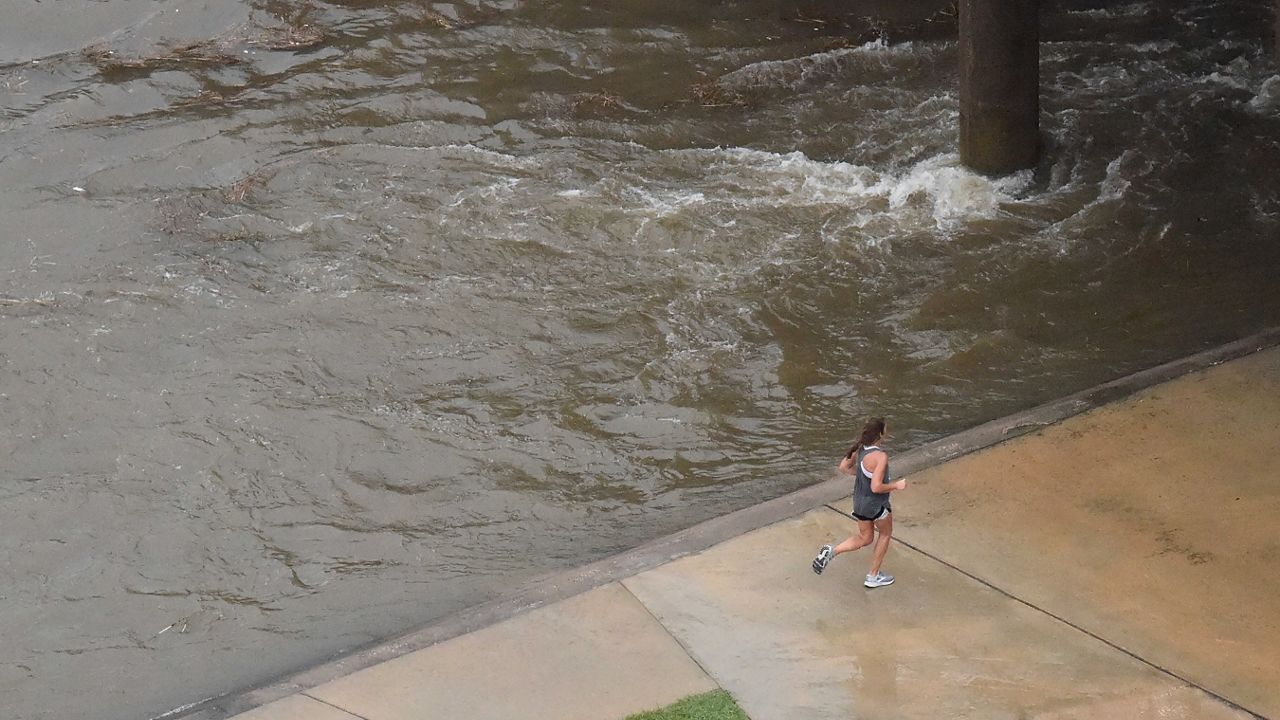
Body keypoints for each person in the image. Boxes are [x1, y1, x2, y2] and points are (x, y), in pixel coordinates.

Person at [811, 417, 907, 588]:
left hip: (859, 504)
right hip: (876, 506)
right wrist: (896, 486)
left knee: (866, 537)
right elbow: (877, 487)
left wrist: (862, 474)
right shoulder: (880, 456)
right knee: (884, 534)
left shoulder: (860, 449)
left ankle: (832, 551)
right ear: (880, 435)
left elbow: (844, 467)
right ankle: (873, 576)